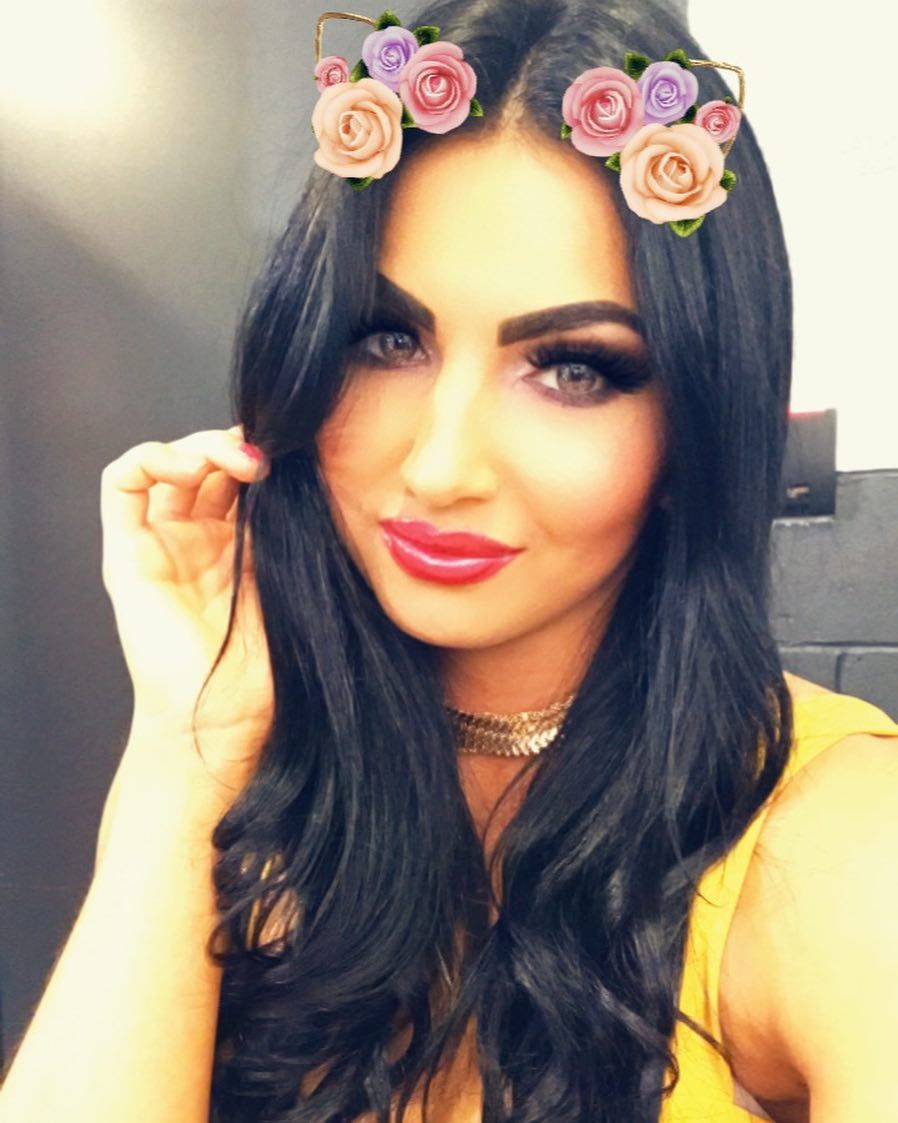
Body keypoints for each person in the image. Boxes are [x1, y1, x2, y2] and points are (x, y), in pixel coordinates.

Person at [2, 1, 897, 1121]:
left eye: (572, 369)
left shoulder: (844, 850)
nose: (437, 466)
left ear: (696, 429)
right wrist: (185, 753)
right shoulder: (295, 794)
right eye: (388, 339)